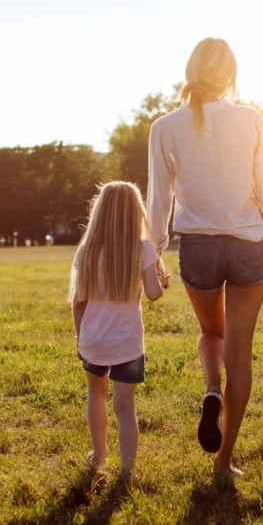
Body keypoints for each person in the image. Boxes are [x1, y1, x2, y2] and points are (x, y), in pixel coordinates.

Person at [147, 37, 263, 479]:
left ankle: (212, 390)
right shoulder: (250, 119)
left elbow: (158, 199)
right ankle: (225, 460)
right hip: (249, 245)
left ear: (190, 71)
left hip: (199, 247)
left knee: (213, 333)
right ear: (230, 74)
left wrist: (154, 254)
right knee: (241, 353)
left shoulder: (164, 126)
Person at [70, 181, 168, 479]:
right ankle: (126, 471)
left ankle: (99, 457)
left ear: (100, 212)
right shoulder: (143, 249)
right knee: (125, 408)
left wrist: (80, 338)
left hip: (94, 340)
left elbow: (78, 302)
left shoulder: (86, 251)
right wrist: (163, 280)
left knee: (96, 395)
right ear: (135, 213)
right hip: (127, 343)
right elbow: (153, 293)